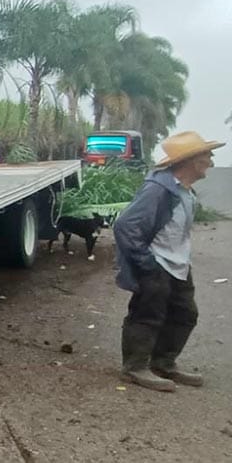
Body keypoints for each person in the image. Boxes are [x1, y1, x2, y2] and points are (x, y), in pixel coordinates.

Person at [113, 131, 225, 392]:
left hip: (178, 265)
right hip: (158, 264)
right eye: (206, 155)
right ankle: (134, 368)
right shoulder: (158, 189)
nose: (210, 159)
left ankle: (163, 363)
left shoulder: (183, 189)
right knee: (147, 315)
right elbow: (126, 226)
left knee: (185, 314)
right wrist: (147, 265)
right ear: (190, 161)